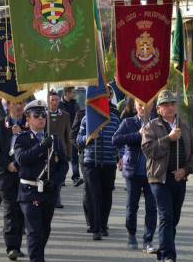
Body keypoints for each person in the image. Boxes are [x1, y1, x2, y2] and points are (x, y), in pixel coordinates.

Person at [142, 89, 193, 262]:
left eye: (172, 104)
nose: (169, 107)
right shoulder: (151, 127)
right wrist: (168, 138)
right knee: (166, 216)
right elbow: (149, 150)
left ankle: (162, 254)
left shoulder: (184, 125)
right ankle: (169, 257)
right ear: (158, 108)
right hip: (159, 179)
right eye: (165, 105)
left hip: (179, 178)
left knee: (173, 218)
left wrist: (186, 169)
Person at [14, 100, 69, 262]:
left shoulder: (54, 139)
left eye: (43, 115)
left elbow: (63, 164)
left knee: (44, 230)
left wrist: (54, 182)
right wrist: (40, 147)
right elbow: (22, 159)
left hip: (48, 191)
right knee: (34, 231)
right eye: (36, 115)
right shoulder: (22, 138)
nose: (41, 118)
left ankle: (37, 257)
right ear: (28, 119)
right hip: (29, 191)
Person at [0, 98, 29, 259]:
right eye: (15, 104)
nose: (18, 107)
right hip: (6, 175)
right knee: (11, 209)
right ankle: (12, 247)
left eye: (21, 104)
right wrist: (6, 164)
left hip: (25, 175)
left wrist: (22, 134)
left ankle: (17, 244)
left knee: (22, 212)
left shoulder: (29, 124)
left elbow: (36, 145)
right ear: (8, 106)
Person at [113, 99, 157, 252]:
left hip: (153, 173)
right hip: (133, 171)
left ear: (151, 106)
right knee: (132, 207)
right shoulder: (128, 122)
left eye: (146, 105)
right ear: (135, 106)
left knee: (152, 207)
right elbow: (116, 139)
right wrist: (137, 135)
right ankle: (131, 234)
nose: (143, 108)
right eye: (139, 105)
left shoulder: (157, 123)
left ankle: (148, 240)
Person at [76, 104, 120, 241]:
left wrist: (122, 156)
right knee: (94, 195)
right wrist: (89, 137)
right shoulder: (87, 119)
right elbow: (78, 140)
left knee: (106, 195)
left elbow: (120, 141)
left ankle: (103, 225)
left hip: (109, 162)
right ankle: (95, 228)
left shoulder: (115, 120)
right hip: (91, 163)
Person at [47, 90, 71, 209]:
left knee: (60, 176)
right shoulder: (42, 114)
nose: (55, 102)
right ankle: (50, 197)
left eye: (56, 100)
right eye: (52, 100)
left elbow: (68, 135)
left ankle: (57, 198)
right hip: (47, 150)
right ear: (48, 101)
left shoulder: (65, 115)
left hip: (61, 150)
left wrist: (69, 154)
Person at [59, 87, 82, 187]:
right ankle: (62, 178)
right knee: (62, 156)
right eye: (73, 92)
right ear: (66, 93)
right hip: (62, 133)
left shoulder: (75, 104)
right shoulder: (59, 105)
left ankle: (76, 178)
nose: (75, 94)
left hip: (72, 133)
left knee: (74, 156)